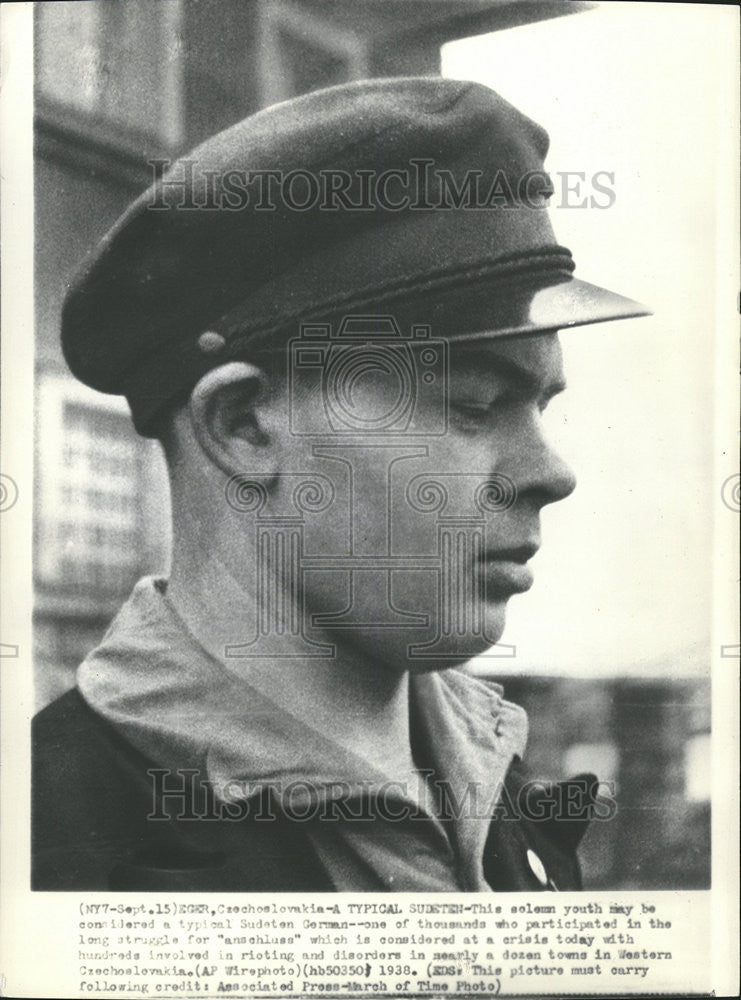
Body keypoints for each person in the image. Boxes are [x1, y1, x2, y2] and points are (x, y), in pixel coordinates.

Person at [32, 77, 648, 891]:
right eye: (472, 403)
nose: (550, 473)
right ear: (243, 424)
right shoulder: (47, 842)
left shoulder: (509, 795)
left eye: (539, 406)